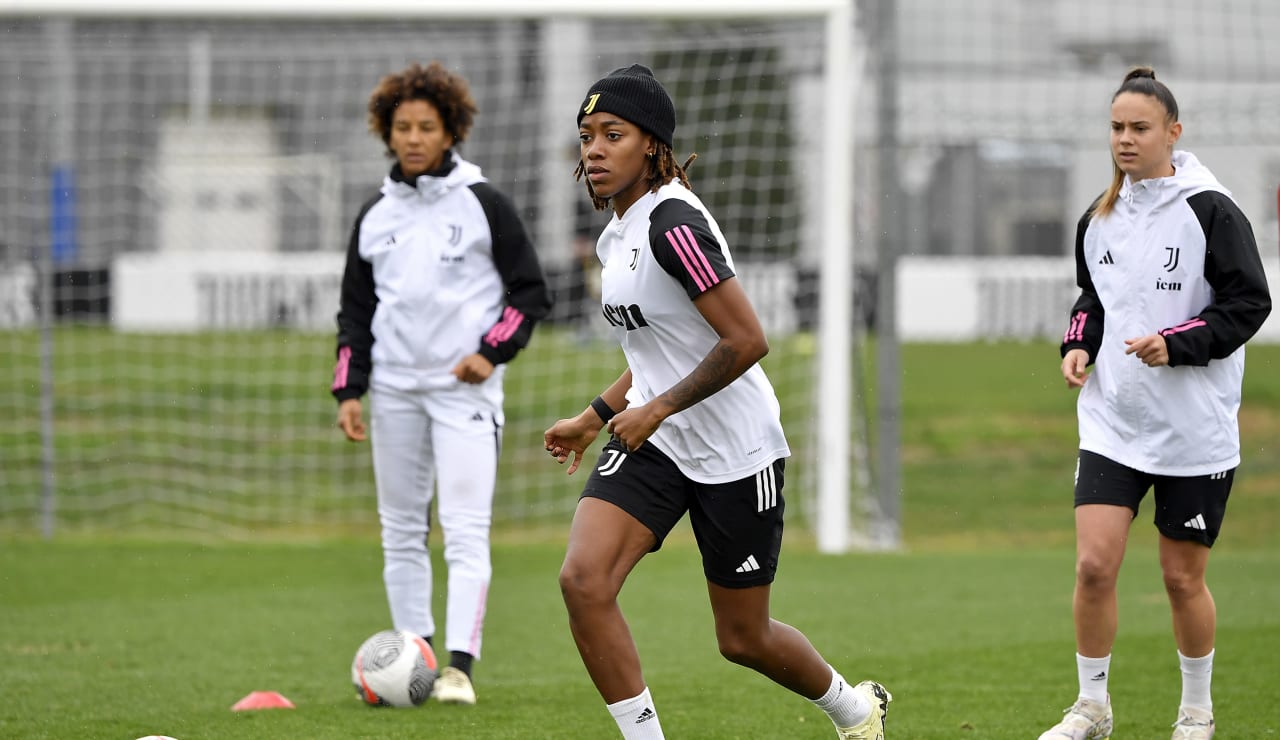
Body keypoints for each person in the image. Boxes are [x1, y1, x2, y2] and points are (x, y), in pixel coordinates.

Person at [543, 64, 892, 740]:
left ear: (651, 144)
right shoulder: (617, 234)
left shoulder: (674, 224)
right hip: (657, 442)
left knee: (743, 638)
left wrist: (658, 407)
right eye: (586, 136)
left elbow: (745, 338)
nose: (593, 149)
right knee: (583, 582)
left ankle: (855, 711)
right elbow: (656, 347)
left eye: (612, 134)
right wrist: (597, 416)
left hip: (736, 449)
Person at [1041, 67, 1271, 740]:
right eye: (1116, 127)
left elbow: (1248, 304)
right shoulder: (1099, 217)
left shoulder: (1212, 210)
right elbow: (1094, 300)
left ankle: (1196, 711)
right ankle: (1091, 708)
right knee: (1092, 566)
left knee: (1179, 579)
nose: (1125, 139)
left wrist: (1178, 343)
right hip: (1114, 421)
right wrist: (1079, 344)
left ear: (1173, 132)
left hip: (1192, 431)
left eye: (1140, 128)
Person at [331, 61, 551, 706]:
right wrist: (350, 389)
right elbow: (355, 312)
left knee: (463, 529)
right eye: (402, 127)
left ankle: (458, 670)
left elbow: (529, 293)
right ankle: (413, 658)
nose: (414, 138)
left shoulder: (485, 204)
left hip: (465, 394)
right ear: (386, 132)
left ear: (451, 131)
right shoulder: (375, 213)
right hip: (395, 391)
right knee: (400, 529)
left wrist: (491, 352)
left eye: (427, 126)